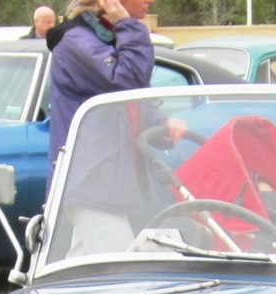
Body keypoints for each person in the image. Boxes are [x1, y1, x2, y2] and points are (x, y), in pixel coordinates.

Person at [47, 0, 183, 253]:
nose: (149, 2)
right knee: (122, 274)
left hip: (103, 182)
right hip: (91, 180)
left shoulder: (105, 40)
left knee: (83, 276)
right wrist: (128, 26)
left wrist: (159, 125)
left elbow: (129, 99)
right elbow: (127, 80)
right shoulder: (77, 41)